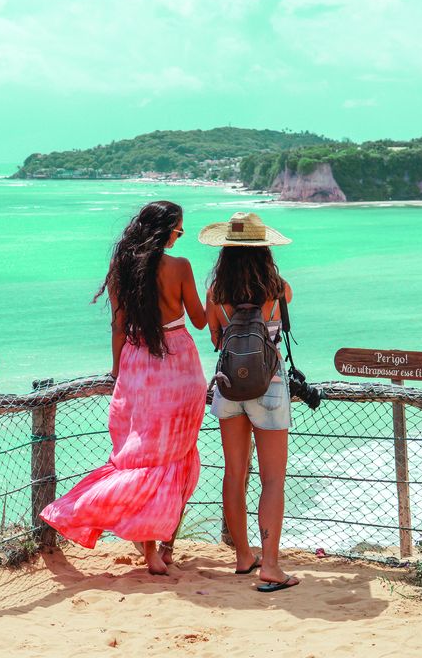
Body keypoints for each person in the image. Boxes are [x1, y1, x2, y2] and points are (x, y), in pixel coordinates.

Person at [41, 201, 207, 575]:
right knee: (178, 458)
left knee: (140, 457)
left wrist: (118, 369)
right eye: (179, 231)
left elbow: (118, 327)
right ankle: (167, 547)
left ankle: (150, 551)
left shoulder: (121, 270)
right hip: (179, 366)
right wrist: (213, 300)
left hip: (137, 367)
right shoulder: (180, 268)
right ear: (166, 231)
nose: (179, 237)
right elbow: (197, 320)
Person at [199, 211, 299, 592]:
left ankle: (243, 556)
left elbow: (215, 340)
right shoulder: (279, 290)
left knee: (234, 473)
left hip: (228, 389)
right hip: (269, 389)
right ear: (264, 250)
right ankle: (270, 565)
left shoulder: (216, 295)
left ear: (225, 250)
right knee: (272, 478)